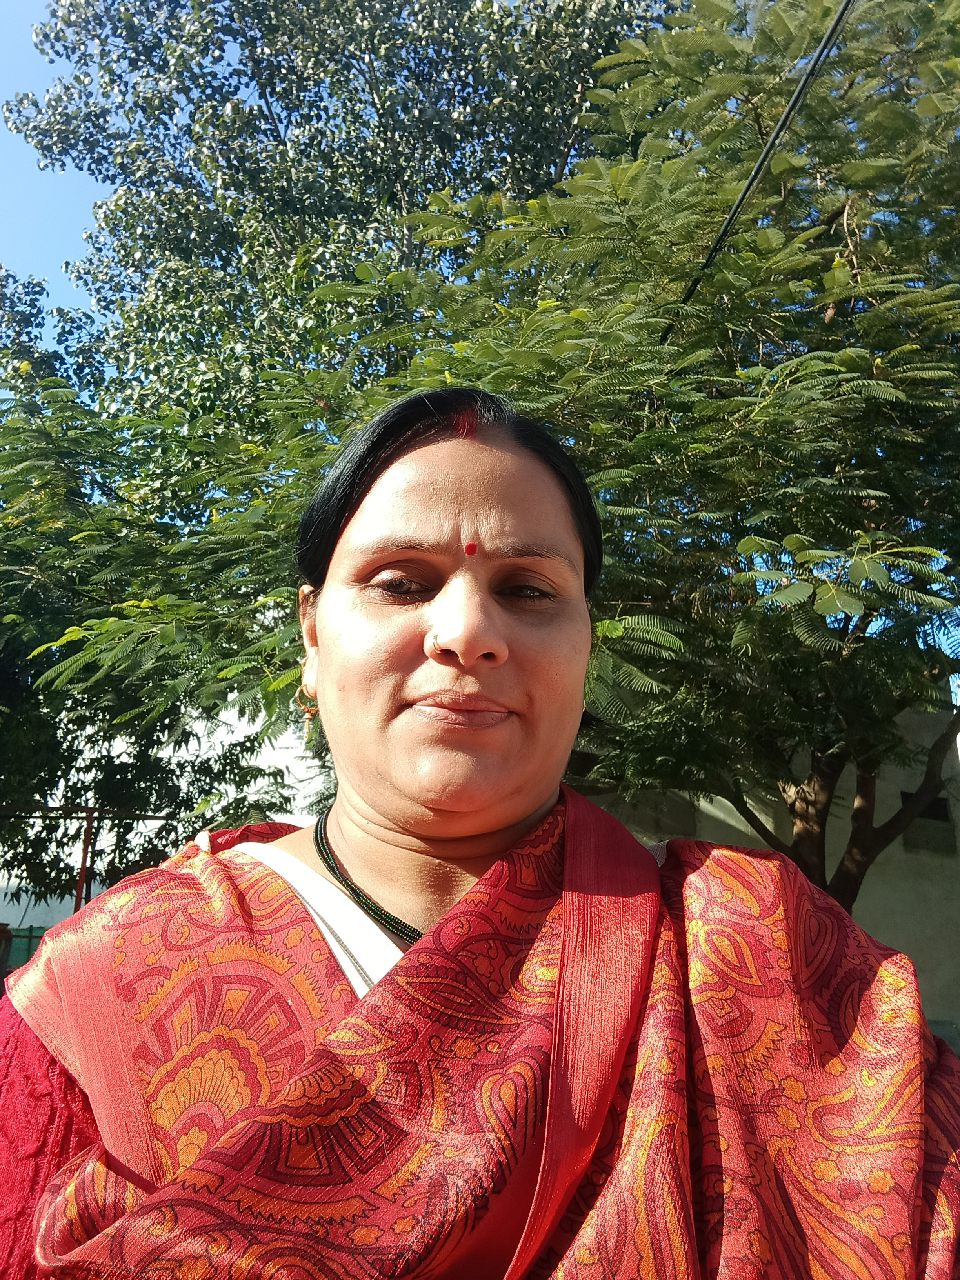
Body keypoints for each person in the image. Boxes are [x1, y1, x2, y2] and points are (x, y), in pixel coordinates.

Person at [1, 387, 958, 1279]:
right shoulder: (105, 983)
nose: (467, 632)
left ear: (587, 642)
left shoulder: (760, 948)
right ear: (311, 636)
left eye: (528, 590)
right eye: (400, 582)